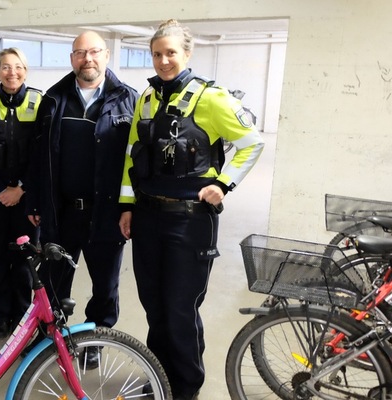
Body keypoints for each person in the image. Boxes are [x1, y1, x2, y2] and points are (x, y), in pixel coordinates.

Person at [118, 19, 265, 400]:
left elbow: (251, 142)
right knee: (154, 306)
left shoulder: (210, 98)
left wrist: (224, 184)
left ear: (186, 53)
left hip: (189, 222)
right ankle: (160, 378)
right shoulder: (146, 99)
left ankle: (185, 387)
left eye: (170, 53)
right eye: (157, 54)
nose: (163, 61)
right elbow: (132, 155)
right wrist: (127, 205)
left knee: (180, 308)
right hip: (148, 216)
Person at [25, 31, 138, 354]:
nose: (87, 58)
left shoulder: (128, 99)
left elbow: (137, 160)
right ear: (72, 58)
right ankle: (50, 338)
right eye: (80, 52)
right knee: (53, 281)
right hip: (62, 212)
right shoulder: (53, 99)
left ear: (106, 55)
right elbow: (38, 156)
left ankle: (95, 340)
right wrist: (34, 201)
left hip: (107, 213)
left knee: (105, 285)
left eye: (94, 52)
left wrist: (131, 207)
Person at [0, 48, 41, 338]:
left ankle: (23, 316)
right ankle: (1, 316)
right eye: (5, 67)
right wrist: (0, 189)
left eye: (17, 66)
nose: (11, 72)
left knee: (25, 260)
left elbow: (42, 155)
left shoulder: (40, 102)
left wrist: (21, 189)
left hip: (26, 199)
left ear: (25, 70)